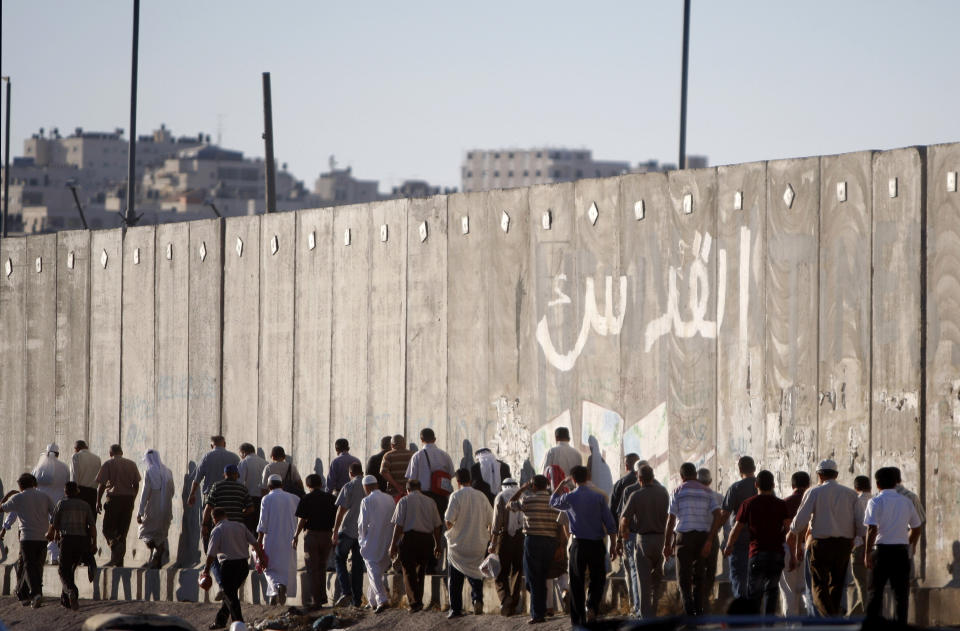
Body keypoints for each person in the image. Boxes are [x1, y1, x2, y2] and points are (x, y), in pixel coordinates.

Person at [787, 458, 862, 616]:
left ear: (819, 475)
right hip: (843, 545)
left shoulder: (814, 492)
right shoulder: (851, 494)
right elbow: (860, 524)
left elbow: (799, 521)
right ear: (836, 474)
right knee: (837, 584)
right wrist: (855, 541)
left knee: (819, 586)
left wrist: (793, 531)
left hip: (821, 545)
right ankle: (834, 618)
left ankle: (830, 619)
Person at [550, 465, 617, 625]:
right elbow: (610, 523)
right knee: (599, 578)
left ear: (573, 479)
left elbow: (552, 502)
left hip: (578, 544)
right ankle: (591, 605)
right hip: (596, 544)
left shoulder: (569, 497)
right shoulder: (599, 497)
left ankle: (578, 620)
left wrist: (561, 485)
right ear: (588, 477)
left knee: (576, 581)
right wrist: (613, 544)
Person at [723, 470, 792, 614]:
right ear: (773, 485)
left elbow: (736, 529)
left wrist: (729, 546)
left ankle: (754, 623)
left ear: (756, 485)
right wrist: (792, 552)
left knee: (754, 593)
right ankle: (769, 625)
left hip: (756, 553)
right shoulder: (781, 504)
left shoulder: (748, 503)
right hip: (776, 554)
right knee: (772, 592)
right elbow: (788, 530)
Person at [663, 462, 723, 617]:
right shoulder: (708, 492)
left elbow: (671, 520)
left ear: (682, 476)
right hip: (703, 538)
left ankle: (689, 613)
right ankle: (699, 612)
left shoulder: (677, 491)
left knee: (683, 577)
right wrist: (710, 539)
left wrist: (667, 545)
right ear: (695, 475)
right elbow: (718, 515)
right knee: (699, 576)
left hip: (684, 539)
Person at [864, 466, 923, 624]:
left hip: (881, 551)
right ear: (896, 482)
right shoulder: (906, 502)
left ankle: (873, 625)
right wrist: (907, 542)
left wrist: (867, 553)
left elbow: (871, 529)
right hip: (900, 552)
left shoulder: (875, 501)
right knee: (901, 595)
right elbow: (917, 527)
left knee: (875, 593)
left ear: (877, 484)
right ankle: (900, 625)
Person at [202, 506, 267, 630]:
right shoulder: (240, 526)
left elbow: (211, 554)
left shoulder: (217, 530)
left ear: (214, 519)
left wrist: (206, 570)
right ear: (226, 515)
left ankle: (239, 623)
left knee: (230, 596)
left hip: (228, 566)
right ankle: (220, 621)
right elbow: (255, 543)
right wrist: (261, 559)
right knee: (229, 594)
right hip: (243, 566)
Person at [507, 474, 560, 625]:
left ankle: (538, 614)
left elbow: (510, 504)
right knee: (541, 576)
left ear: (533, 486)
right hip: (550, 541)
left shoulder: (527, 500)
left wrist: (522, 488)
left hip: (533, 541)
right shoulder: (553, 501)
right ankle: (540, 609)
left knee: (532, 578)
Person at [619, 464, 669, 619]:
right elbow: (669, 516)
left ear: (639, 479)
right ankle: (655, 610)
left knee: (643, 582)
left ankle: (647, 618)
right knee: (658, 580)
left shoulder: (636, 495)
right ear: (653, 477)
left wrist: (624, 533)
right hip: (661, 539)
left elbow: (624, 519)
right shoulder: (664, 493)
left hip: (644, 541)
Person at [445, 468, 493, 618]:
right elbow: (491, 520)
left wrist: (454, 532)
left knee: (455, 578)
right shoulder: (481, 496)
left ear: (457, 482)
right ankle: (477, 599)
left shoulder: (456, 496)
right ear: (470, 481)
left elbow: (448, 521)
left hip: (459, 545)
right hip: (478, 543)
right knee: (476, 574)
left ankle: (456, 609)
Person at [389, 479, 443, 612]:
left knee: (408, 570)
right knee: (421, 570)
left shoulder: (404, 501)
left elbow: (399, 525)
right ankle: (418, 600)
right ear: (420, 488)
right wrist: (437, 544)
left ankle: (415, 603)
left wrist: (393, 545)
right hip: (426, 539)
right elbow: (437, 526)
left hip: (410, 538)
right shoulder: (430, 501)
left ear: (407, 490)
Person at [1, 473, 54, 608]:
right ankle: (33, 593)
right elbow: (55, 513)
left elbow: (1, 508)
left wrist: (7, 496)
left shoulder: (18, 497)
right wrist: (54, 531)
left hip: (27, 538)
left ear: (20, 485)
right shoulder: (44, 496)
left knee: (28, 565)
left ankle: (35, 593)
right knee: (37, 566)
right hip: (43, 537)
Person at [203, 464, 254, 595]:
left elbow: (208, 507)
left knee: (213, 555)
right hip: (238, 527)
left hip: (220, 527)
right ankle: (230, 588)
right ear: (237, 474)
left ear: (224, 474)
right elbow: (250, 508)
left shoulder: (217, 486)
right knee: (237, 555)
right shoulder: (242, 488)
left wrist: (204, 525)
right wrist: (239, 513)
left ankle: (221, 585)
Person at [48, 482, 96, 610]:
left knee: (62, 570)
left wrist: (50, 534)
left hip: (67, 540)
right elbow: (92, 526)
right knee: (70, 570)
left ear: (65, 492)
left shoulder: (61, 504)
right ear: (77, 491)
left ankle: (71, 591)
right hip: (82, 541)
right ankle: (65, 600)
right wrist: (94, 543)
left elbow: (54, 524)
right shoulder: (85, 505)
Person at [293, 473, 337, 610]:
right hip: (327, 535)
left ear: (307, 485)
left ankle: (315, 600)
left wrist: (296, 536)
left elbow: (302, 520)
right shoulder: (331, 498)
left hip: (311, 535)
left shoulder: (306, 498)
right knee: (322, 567)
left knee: (312, 568)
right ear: (321, 484)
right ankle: (322, 597)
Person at [95, 444, 141, 567]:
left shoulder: (108, 464)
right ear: (122, 452)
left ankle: (115, 547)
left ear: (111, 453)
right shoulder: (132, 464)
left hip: (114, 499)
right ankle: (119, 562)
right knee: (122, 532)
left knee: (107, 529)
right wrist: (132, 498)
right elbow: (136, 485)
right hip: (128, 500)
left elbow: (102, 485)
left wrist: (98, 501)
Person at [257, 474, 300, 605]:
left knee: (267, 567)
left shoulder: (266, 499)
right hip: (290, 539)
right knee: (285, 568)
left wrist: (258, 542)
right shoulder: (295, 498)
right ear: (281, 485)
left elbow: (262, 523)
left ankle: (277, 587)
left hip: (271, 540)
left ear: (269, 486)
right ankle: (275, 593)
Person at [719, 456, 758, 601]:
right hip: (759, 541)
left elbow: (724, 514)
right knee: (755, 578)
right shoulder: (764, 488)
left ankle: (742, 614)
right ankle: (754, 613)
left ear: (740, 470)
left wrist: (715, 534)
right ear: (754, 469)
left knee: (739, 578)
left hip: (739, 540)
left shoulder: (735, 488)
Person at [358, 474, 396, 613]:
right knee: (376, 571)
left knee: (373, 570)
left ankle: (382, 600)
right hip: (388, 538)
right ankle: (371, 600)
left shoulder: (366, 500)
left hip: (372, 540)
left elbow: (362, 524)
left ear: (366, 487)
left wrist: (362, 539)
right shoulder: (389, 498)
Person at [331, 462, 365, 607]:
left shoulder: (349, 486)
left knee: (339, 559)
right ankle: (357, 601)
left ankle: (346, 591)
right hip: (362, 533)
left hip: (347, 530)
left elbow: (341, 511)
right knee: (358, 566)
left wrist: (334, 531)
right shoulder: (368, 485)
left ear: (350, 473)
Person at [489, 477, 524, 616]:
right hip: (521, 537)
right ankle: (514, 604)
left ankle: (505, 599)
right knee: (517, 570)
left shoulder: (500, 496)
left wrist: (492, 543)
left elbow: (496, 523)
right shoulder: (522, 495)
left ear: (503, 486)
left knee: (500, 571)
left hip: (504, 538)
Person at [33, 443, 70, 564]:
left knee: (41, 529)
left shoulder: (38, 467)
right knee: (54, 528)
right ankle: (54, 557)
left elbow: (32, 484)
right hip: (58, 503)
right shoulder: (64, 467)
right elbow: (68, 484)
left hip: (41, 502)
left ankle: (40, 556)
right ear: (58, 454)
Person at [137, 449, 174, 569]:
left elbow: (144, 493)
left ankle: (157, 553)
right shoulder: (168, 471)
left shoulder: (149, 472)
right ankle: (155, 559)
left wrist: (140, 512)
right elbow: (172, 491)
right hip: (166, 508)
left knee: (145, 532)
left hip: (153, 507)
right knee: (160, 534)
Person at [780, 471, 810, 616]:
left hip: (788, 548)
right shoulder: (813, 501)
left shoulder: (784, 503)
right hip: (808, 548)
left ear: (793, 485)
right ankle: (811, 620)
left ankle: (792, 625)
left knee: (789, 591)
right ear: (808, 485)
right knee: (806, 588)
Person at [405, 428, 455, 518]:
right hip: (441, 495)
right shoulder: (445, 455)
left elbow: (412, 479)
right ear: (435, 439)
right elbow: (451, 474)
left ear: (421, 440)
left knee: (425, 523)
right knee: (439, 522)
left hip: (423, 495)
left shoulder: (417, 456)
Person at [187, 436, 241, 508]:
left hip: (211, 497)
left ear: (211, 446)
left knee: (208, 518)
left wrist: (192, 494)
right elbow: (240, 477)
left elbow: (197, 479)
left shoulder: (206, 457)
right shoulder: (234, 457)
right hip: (229, 496)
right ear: (224, 444)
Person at [697, 467, 724, 609]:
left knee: (698, 568)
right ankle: (706, 598)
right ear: (711, 481)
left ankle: (699, 600)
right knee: (711, 569)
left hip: (697, 537)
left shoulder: (693, 496)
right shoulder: (718, 497)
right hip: (712, 537)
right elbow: (723, 518)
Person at [849, 475, 872, 615]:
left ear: (856, 488)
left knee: (862, 587)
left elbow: (862, 528)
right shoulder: (876, 499)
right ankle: (850, 618)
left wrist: (864, 551)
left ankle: (867, 618)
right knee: (866, 587)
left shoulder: (857, 501)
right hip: (876, 547)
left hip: (861, 547)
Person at [237, 443, 268, 533]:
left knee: (248, 527)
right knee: (259, 526)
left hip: (249, 499)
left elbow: (240, 482)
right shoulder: (265, 463)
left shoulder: (244, 462)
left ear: (243, 452)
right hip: (263, 498)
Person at [70, 441, 102, 518]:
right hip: (93, 492)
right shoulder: (97, 458)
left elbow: (74, 475)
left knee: (79, 518)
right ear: (86, 447)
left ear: (76, 448)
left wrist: (72, 493)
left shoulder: (76, 456)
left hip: (80, 492)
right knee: (91, 519)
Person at [380, 434, 413, 498]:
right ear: (404, 443)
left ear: (392, 445)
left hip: (393, 492)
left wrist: (397, 486)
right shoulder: (412, 454)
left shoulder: (388, 455)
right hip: (409, 492)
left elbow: (383, 472)